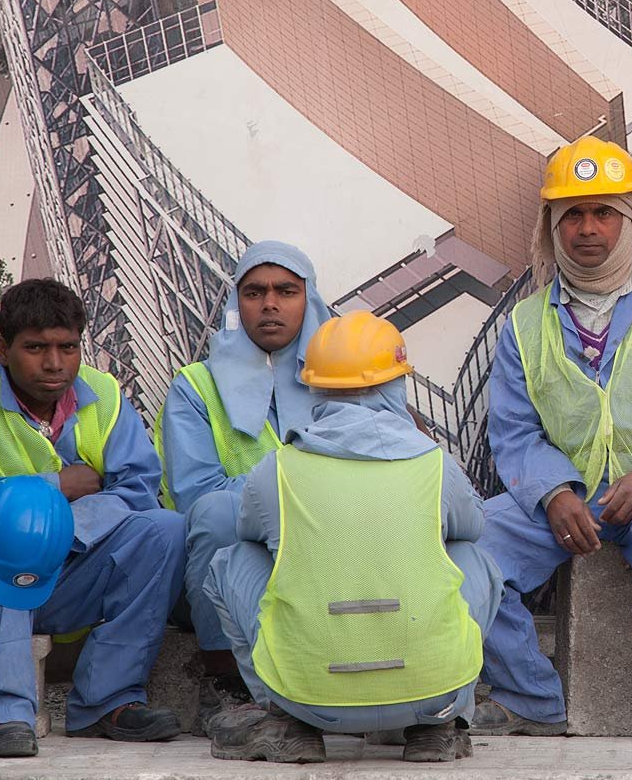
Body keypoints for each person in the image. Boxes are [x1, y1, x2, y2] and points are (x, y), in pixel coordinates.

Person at [472, 137, 632, 746]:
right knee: (471, 546)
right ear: (553, 225)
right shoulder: (524, 325)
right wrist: (553, 492)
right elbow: (513, 429)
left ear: (630, 218)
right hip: (571, 502)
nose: (588, 229)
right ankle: (532, 699)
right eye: (573, 216)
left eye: (604, 213)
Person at [202, 311, 502, 764]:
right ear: (395, 385)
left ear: (313, 387)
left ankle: (285, 720)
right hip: (428, 693)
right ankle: (441, 724)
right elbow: (472, 526)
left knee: (234, 559)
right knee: (472, 557)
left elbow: (249, 532)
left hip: (310, 698)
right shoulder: (435, 464)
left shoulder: (278, 469)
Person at [0, 278, 185, 757]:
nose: (54, 363)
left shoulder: (104, 394)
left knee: (165, 529)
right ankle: (3, 712)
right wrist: (57, 490)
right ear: (3, 349)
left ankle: (108, 701)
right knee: (14, 531)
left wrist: (64, 529)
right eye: (36, 348)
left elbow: (137, 490)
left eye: (67, 347)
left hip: (69, 569)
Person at [153, 241, 328, 726]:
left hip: (331, 547)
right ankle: (225, 681)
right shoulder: (195, 385)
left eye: (286, 291)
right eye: (254, 291)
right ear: (237, 304)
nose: (269, 303)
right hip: (244, 553)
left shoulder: (346, 377)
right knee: (215, 513)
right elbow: (196, 493)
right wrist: (299, 495)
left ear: (309, 300)